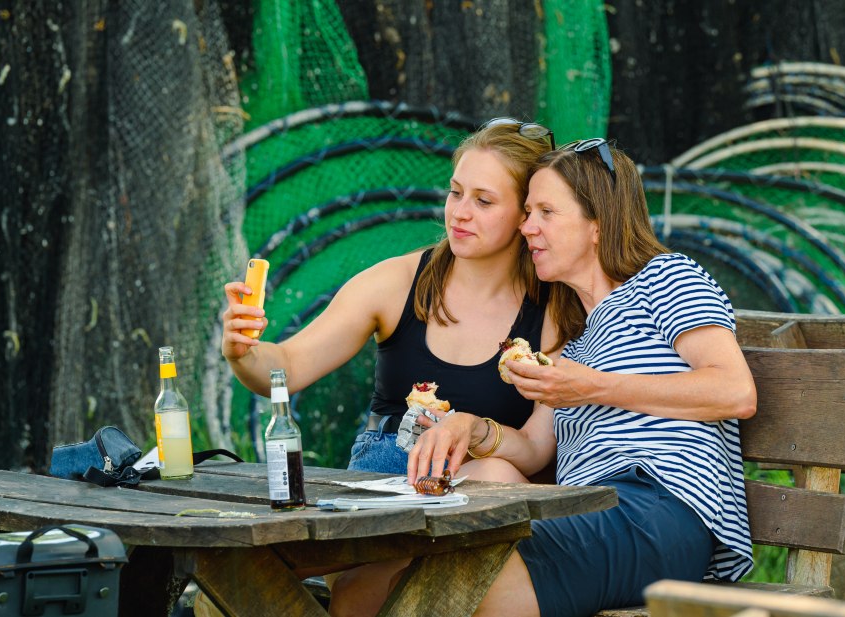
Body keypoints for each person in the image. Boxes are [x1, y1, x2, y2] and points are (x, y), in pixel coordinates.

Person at [400, 138, 758, 617]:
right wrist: (471, 427)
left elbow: (735, 391)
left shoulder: (665, 277)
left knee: (461, 584)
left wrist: (592, 386)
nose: (527, 227)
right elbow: (534, 448)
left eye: (546, 212)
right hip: (587, 509)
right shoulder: (576, 340)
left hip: (660, 510)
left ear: (598, 224)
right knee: (413, 570)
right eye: (528, 212)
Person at [221, 119, 558, 479]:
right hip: (388, 476)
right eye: (455, 192)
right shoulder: (397, 282)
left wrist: (475, 430)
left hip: (486, 489)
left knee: (497, 473)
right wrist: (243, 354)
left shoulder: (554, 307)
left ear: (527, 214)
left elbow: (535, 449)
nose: (460, 212)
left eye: (483, 201)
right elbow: (288, 367)